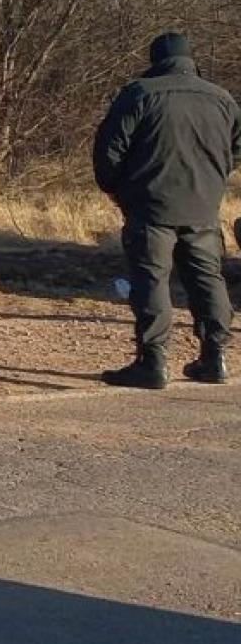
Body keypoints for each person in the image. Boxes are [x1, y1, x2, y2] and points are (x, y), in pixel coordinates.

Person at [92, 32, 236, 388]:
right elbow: (236, 148)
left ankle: (153, 362)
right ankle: (215, 357)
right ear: (191, 60)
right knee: (208, 278)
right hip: (203, 205)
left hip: (150, 204)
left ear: (155, 60)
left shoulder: (140, 94)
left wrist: (116, 188)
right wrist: (213, 178)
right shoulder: (222, 98)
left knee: (151, 279)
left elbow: (109, 151)